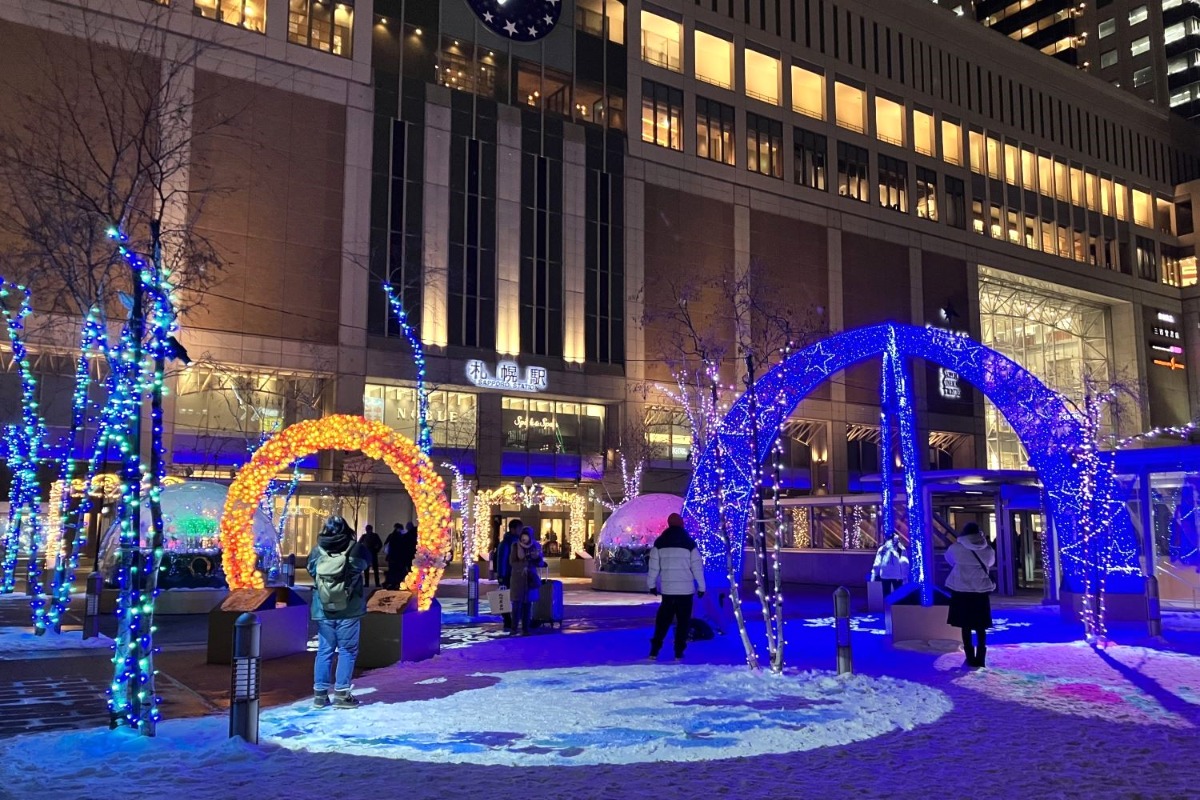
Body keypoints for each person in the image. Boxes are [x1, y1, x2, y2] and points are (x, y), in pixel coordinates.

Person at [307, 515, 370, 708]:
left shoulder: (318, 550)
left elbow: (311, 570)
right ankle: (342, 694)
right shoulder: (354, 548)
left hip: (323, 608)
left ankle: (319, 695)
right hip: (348, 608)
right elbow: (363, 564)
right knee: (347, 650)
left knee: (324, 650)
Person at [646, 513, 706, 661]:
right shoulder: (690, 544)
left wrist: (651, 585)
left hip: (668, 590)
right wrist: (701, 587)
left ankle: (654, 651)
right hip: (686, 591)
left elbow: (653, 568)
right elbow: (697, 568)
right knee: (683, 623)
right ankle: (679, 652)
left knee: (663, 621)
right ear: (682, 524)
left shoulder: (659, 544)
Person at [946, 522, 996, 669]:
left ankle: (969, 657)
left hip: (961, 591)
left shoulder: (956, 548)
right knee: (981, 627)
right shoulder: (988, 550)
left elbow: (949, 560)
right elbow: (990, 563)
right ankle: (981, 658)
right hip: (981, 591)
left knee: (965, 626)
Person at [508, 526, 543, 636]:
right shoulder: (515, 546)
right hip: (518, 579)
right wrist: (524, 565)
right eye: (522, 536)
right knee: (516, 605)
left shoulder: (535, 547)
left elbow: (540, 563)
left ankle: (525, 629)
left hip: (529, 579)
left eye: (526, 536)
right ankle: (514, 628)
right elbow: (512, 562)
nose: (524, 538)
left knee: (527, 605)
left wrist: (536, 558)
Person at [495, 518, 523, 631]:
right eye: (519, 528)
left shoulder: (517, 542)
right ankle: (507, 620)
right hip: (507, 575)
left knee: (514, 598)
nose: (521, 531)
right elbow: (501, 560)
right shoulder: (506, 544)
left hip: (515, 574)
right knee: (504, 597)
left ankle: (511, 619)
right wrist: (501, 577)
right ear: (512, 529)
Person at [383, 521, 417, 589]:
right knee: (401, 571)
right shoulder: (404, 536)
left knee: (395, 571)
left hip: (394, 557)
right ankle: (396, 583)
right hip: (400, 558)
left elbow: (387, 544)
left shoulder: (393, 536)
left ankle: (393, 583)